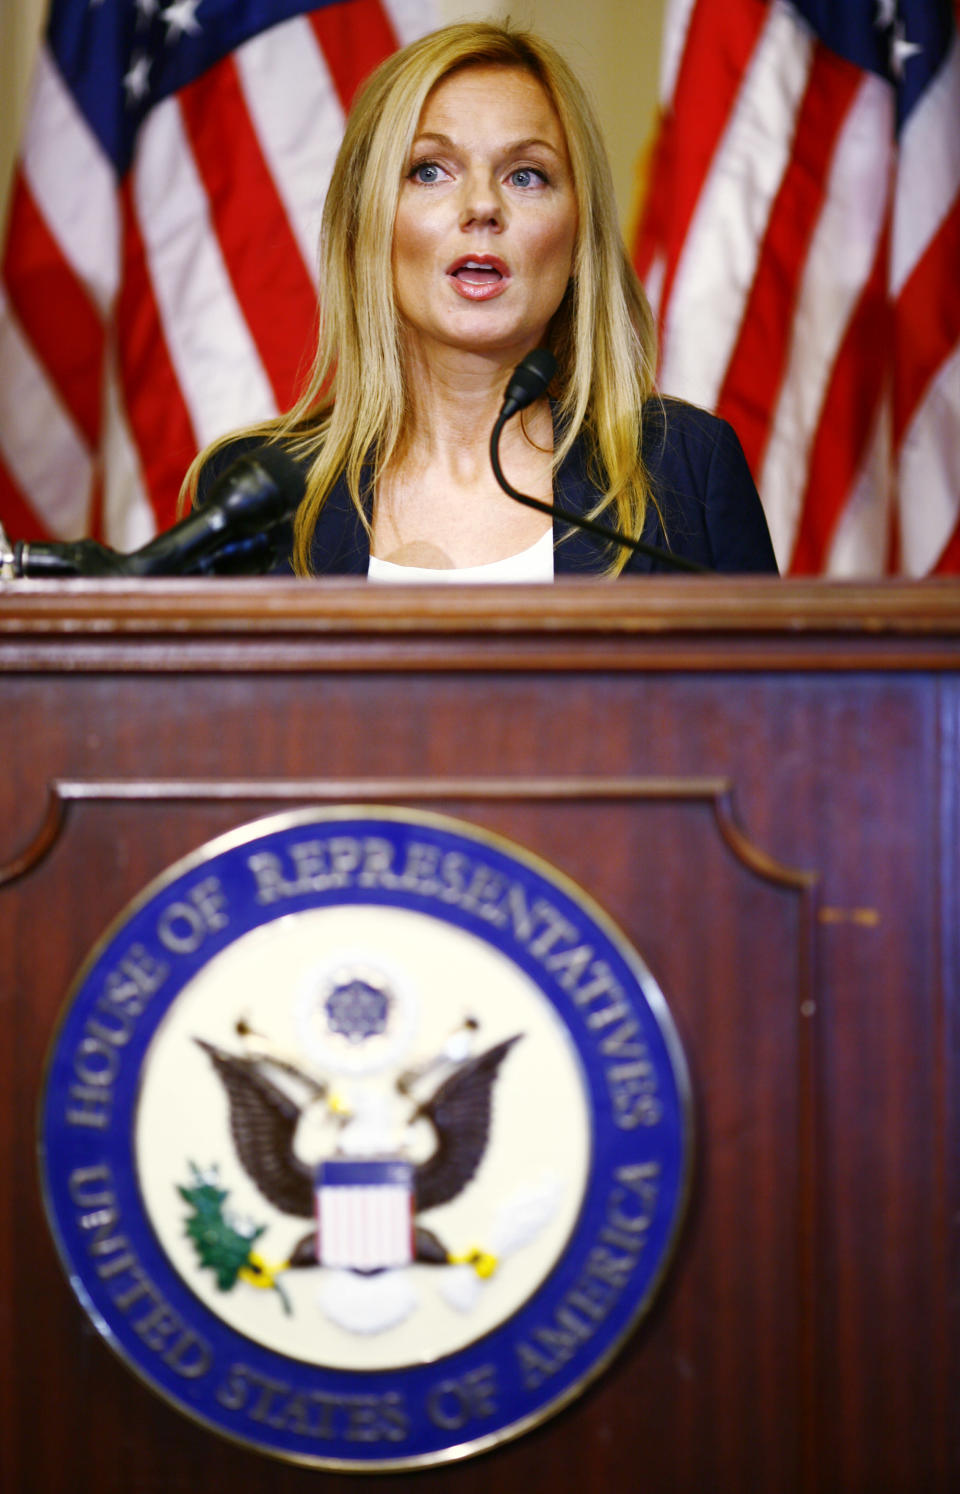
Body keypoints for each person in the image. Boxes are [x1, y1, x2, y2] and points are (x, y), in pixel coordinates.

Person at [187, 23, 778, 580]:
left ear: (579, 238)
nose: (482, 206)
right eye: (429, 170)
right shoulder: (251, 495)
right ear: (364, 224)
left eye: (526, 175)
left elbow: (785, 691)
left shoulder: (685, 469)